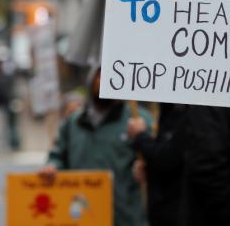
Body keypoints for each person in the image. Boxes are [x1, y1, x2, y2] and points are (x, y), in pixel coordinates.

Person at [40, 66, 152, 226]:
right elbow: (58, 155)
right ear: (90, 81)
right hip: (80, 216)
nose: (104, 82)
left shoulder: (138, 120)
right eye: (99, 76)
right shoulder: (73, 123)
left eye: (110, 76)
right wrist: (52, 166)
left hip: (124, 217)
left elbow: (158, 158)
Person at [126, 102, 189, 226]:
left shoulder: (187, 113)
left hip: (177, 211)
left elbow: (168, 157)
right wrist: (149, 169)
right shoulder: (169, 110)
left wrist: (140, 136)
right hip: (164, 210)